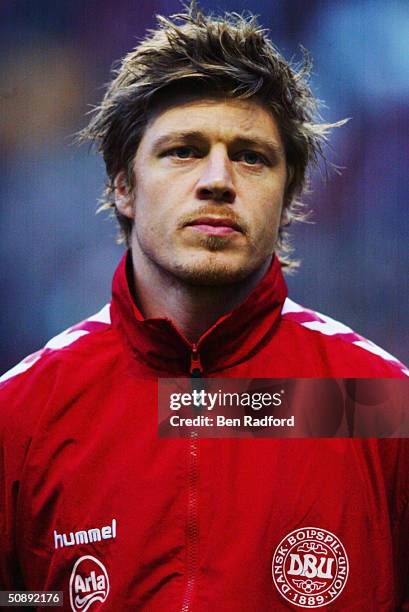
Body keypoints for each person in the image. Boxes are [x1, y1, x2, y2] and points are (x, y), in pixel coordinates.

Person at [0, 5, 408, 611]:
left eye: (251, 157)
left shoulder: (377, 403)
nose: (218, 180)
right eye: (184, 151)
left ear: (290, 197)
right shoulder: (22, 417)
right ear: (124, 186)